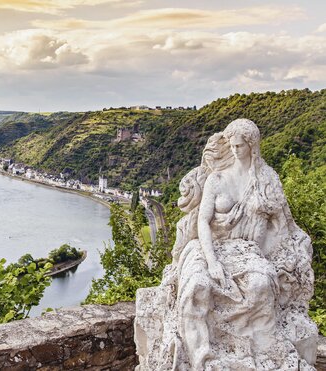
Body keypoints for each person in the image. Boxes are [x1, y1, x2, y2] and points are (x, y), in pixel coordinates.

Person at [135, 119, 318, 370]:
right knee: (197, 286)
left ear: (252, 147)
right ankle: (201, 359)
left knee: (261, 284)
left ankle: (250, 351)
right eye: (231, 145)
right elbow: (202, 222)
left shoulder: (265, 181)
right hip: (207, 247)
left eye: (239, 146)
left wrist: (281, 256)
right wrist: (212, 262)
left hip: (247, 252)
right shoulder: (217, 179)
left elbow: (283, 225)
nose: (234, 150)